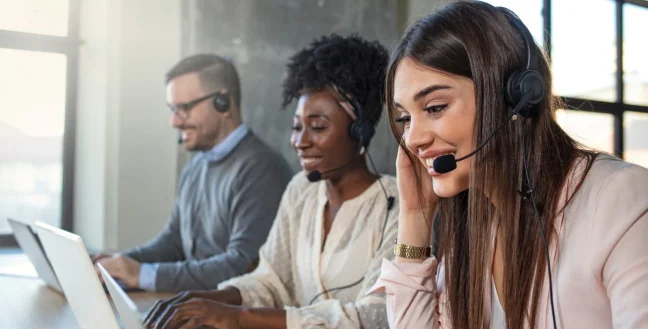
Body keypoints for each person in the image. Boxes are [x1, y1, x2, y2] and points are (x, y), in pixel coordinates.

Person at [368, 1, 648, 329]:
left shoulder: (620, 199)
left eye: (435, 107)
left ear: (514, 98)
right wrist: (414, 217)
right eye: (404, 118)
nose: (413, 139)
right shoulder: (472, 231)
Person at [142, 34, 397, 329]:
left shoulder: (397, 207)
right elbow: (270, 280)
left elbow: (375, 316)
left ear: (360, 131)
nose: (300, 142)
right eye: (296, 127)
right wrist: (205, 298)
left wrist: (238, 316)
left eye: (317, 127)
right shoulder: (302, 190)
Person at [93, 54, 293, 292]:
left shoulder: (262, 169)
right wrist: (116, 264)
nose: (174, 122)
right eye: (172, 109)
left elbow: (243, 266)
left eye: (184, 108)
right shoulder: (195, 167)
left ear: (224, 103)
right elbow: (174, 242)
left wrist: (143, 274)